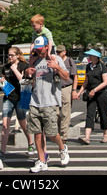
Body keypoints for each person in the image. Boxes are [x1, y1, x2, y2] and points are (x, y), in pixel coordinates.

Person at [25, 36, 70, 173]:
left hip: (50, 101)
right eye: (36, 50)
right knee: (37, 133)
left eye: (40, 49)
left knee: (51, 133)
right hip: (35, 101)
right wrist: (27, 72)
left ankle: (62, 148)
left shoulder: (55, 59)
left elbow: (66, 77)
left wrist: (57, 67)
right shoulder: (34, 61)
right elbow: (29, 79)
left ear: (46, 47)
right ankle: (41, 160)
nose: (38, 52)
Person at [0, 47, 35, 157]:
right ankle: (2, 150)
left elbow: (22, 80)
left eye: (12, 55)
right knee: (5, 124)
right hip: (8, 97)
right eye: (8, 55)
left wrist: (15, 69)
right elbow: (3, 79)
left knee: (23, 123)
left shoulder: (23, 66)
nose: (10, 57)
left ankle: (30, 143)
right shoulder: (5, 67)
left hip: (21, 97)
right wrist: (2, 82)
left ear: (18, 55)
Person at [76, 49, 107, 145]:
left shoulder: (102, 67)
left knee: (103, 113)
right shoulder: (88, 67)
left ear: (96, 57)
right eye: (89, 55)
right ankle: (87, 137)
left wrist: (95, 90)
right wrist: (79, 92)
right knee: (90, 113)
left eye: (91, 55)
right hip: (91, 93)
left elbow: (105, 82)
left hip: (101, 93)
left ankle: (105, 135)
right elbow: (85, 82)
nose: (89, 57)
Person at [56, 45, 78, 144]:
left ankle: (63, 136)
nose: (58, 54)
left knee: (65, 112)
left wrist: (74, 90)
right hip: (56, 88)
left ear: (64, 52)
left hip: (66, 87)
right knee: (56, 113)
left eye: (59, 52)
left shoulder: (69, 61)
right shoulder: (55, 60)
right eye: (56, 52)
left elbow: (75, 76)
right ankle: (57, 133)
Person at [27, 14, 55, 79]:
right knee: (31, 60)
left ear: (40, 24)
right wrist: (31, 53)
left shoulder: (46, 31)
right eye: (32, 26)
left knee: (53, 58)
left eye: (34, 26)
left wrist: (48, 53)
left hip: (49, 46)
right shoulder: (34, 32)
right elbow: (32, 43)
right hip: (38, 47)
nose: (33, 28)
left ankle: (56, 74)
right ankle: (30, 75)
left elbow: (50, 42)